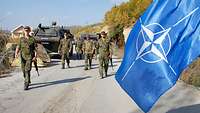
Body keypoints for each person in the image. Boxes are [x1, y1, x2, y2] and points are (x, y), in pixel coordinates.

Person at [15, 26, 37, 90]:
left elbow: (35, 49)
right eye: (25, 30)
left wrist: (35, 56)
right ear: (24, 31)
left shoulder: (32, 39)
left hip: (30, 57)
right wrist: (16, 53)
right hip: (22, 56)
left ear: (29, 31)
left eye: (27, 30)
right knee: (23, 70)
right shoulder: (21, 39)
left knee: (27, 70)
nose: (26, 31)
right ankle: (28, 78)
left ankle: (26, 83)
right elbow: (18, 47)